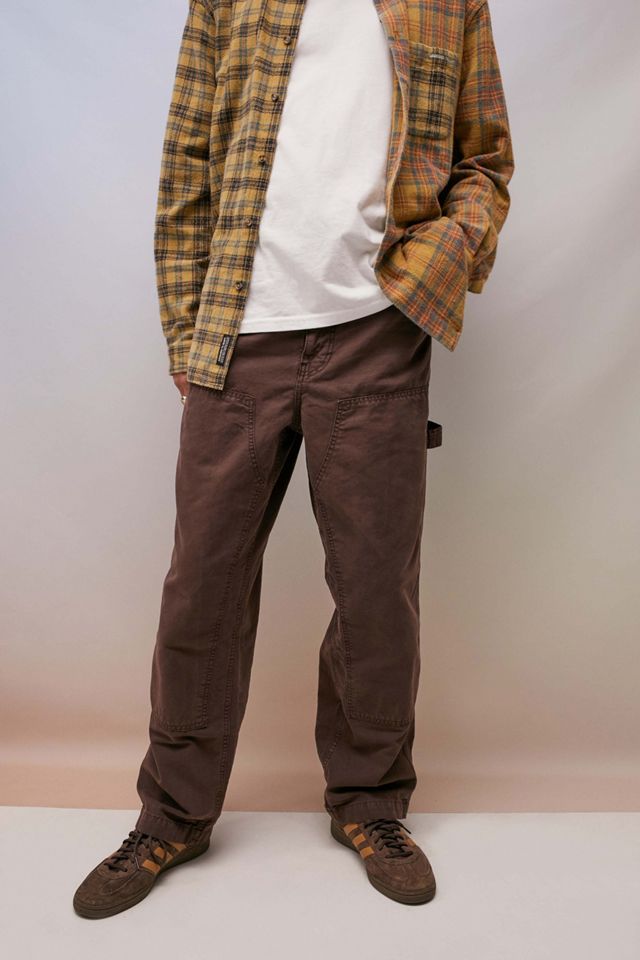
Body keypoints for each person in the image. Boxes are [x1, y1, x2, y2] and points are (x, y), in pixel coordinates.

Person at [73, 0, 513, 917]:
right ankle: (172, 815)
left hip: (378, 332)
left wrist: (444, 254)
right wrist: (186, 329)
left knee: (375, 592)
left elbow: (484, 158)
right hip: (240, 332)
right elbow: (188, 157)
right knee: (201, 588)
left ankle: (371, 804)